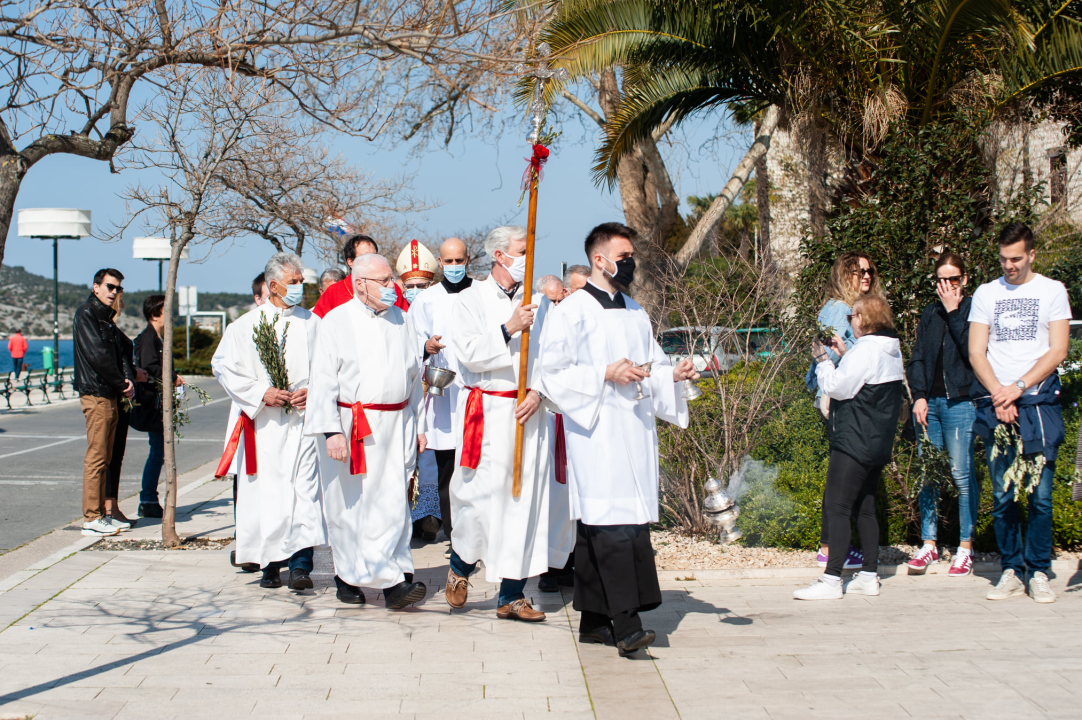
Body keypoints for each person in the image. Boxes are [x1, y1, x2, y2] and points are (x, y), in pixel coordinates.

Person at [539, 222, 697, 656]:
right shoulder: (570, 312)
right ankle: (627, 625)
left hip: (635, 427)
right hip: (596, 431)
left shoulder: (634, 310)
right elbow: (550, 375)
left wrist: (672, 374)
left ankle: (592, 620)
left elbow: (652, 363)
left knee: (601, 526)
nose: (630, 263)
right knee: (611, 524)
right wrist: (605, 373)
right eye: (623, 256)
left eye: (631, 256)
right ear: (599, 259)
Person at [444, 225, 555, 623]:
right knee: (477, 499)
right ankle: (460, 566)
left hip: (528, 411)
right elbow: (469, 352)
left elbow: (555, 357)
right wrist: (509, 328)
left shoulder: (540, 302)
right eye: (520, 251)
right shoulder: (470, 299)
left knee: (522, 503)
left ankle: (512, 594)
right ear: (499, 256)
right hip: (489, 412)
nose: (526, 257)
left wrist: (538, 391)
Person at [306, 253, 428, 609]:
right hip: (353, 425)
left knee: (393, 502)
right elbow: (323, 381)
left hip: (396, 424)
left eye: (392, 279)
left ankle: (396, 577)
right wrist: (331, 431)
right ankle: (348, 575)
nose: (394, 286)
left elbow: (413, 377)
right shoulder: (335, 321)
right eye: (384, 280)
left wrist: (417, 424)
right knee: (351, 504)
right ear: (360, 283)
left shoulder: (402, 319)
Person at [969, 222, 1070, 604]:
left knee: (1041, 495)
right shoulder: (985, 293)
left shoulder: (1052, 291)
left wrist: (1018, 388)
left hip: (1037, 403)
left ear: (1031, 255)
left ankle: (1039, 570)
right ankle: (1011, 568)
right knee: (1003, 493)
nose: (1009, 266)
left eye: (1016, 258)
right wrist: (999, 393)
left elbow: (1057, 350)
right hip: (997, 404)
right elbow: (977, 350)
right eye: (1003, 259)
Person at [215, 253, 327, 591]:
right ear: (273, 285)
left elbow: (331, 367)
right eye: (293, 283)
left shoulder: (314, 323)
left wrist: (313, 390)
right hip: (265, 426)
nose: (300, 288)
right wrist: (261, 392)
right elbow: (223, 367)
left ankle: (301, 565)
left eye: (301, 282)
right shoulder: (245, 326)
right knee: (269, 494)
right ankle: (270, 564)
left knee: (304, 492)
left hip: (303, 424)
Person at [795, 295, 904, 601]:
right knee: (865, 508)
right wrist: (845, 353)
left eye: (851, 317)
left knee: (838, 508)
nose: (849, 321)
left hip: (853, 440)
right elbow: (870, 382)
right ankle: (869, 575)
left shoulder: (866, 351)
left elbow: (836, 386)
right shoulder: (891, 349)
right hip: (877, 443)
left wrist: (822, 360)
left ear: (863, 318)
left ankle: (831, 580)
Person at [811, 251, 885, 571]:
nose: (866, 276)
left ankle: (833, 546)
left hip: (849, 400)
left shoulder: (851, 308)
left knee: (846, 476)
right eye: (858, 271)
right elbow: (828, 355)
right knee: (844, 477)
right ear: (844, 275)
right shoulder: (840, 309)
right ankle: (829, 548)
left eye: (869, 270)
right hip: (841, 401)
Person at [905, 253, 979, 576]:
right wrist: (918, 397)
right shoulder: (930, 313)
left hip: (960, 402)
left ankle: (965, 547)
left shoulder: (974, 310)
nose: (946, 285)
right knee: (928, 474)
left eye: (953, 279)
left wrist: (953, 312)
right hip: (929, 405)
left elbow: (972, 352)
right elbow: (917, 357)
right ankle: (929, 544)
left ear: (964, 279)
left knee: (962, 475)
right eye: (940, 280)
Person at [409, 237, 472, 549]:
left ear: (468, 259)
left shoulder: (482, 294)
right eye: (448, 262)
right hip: (444, 394)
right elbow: (413, 341)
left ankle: (479, 537)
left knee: (476, 469)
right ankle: (455, 538)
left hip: (477, 394)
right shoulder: (426, 300)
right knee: (448, 469)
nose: (454, 267)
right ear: (440, 262)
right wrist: (426, 347)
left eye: (459, 261)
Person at [74, 269, 135, 537]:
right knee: (97, 457)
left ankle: (102, 515)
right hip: (97, 393)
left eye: (118, 288)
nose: (114, 292)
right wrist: (123, 383)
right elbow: (98, 356)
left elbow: (121, 348)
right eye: (109, 287)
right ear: (96, 287)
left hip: (108, 393)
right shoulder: (87, 314)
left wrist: (127, 378)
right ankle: (91, 518)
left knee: (106, 456)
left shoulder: (106, 318)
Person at [133, 295, 184, 519]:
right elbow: (150, 367)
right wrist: (172, 377)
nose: (171, 315)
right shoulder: (148, 339)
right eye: (167, 310)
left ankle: (149, 500)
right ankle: (148, 500)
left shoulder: (158, 338)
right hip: (152, 404)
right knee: (158, 452)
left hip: (158, 402)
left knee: (159, 451)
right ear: (155, 314)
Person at [103, 291, 142, 528]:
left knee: (116, 453)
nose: (123, 303)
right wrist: (124, 381)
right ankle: (109, 507)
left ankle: (111, 505)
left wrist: (134, 372)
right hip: (118, 395)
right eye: (121, 299)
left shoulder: (113, 329)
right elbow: (108, 360)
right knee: (110, 454)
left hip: (123, 394)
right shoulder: (108, 329)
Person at [312, 233, 409, 317]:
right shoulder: (333, 293)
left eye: (375, 256)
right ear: (351, 262)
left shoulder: (392, 289)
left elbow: (405, 321)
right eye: (365, 257)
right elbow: (318, 326)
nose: (373, 261)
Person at [397, 239, 438, 305]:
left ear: (432, 285)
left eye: (421, 286)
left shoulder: (441, 309)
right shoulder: (398, 312)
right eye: (410, 286)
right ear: (403, 287)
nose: (415, 291)